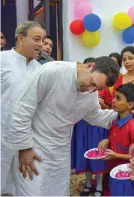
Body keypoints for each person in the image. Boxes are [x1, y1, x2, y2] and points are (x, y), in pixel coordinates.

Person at [7, 56, 120, 196]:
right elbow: (22, 109)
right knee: (32, 191)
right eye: (92, 82)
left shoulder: (91, 92)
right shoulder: (52, 71)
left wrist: (122, 115)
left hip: (61, 151)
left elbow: (94, 115)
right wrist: (24, 148)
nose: (90, 90)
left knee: (59, 191)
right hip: (34, 147)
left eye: (97, 88)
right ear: (90, 65)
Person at [0, 21, 45, 195]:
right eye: (36, 39)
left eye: (42, 39)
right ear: (20, 38)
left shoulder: (40, 69)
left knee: (25, 186)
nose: (41, 44)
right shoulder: (2, 60)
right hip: (1, 133)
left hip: (26, 140)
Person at [98, 83, 134, 196]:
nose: (113, 100)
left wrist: (116, 155)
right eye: (114, 96)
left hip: (129, 175)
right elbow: (114, 138)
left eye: (118, 98)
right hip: (114, 171)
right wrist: (107, 140)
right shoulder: (115, 122)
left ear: (130, 105)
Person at [70, 57, 108, 196]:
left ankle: (98, 185)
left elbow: (110, 104)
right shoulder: (77, 83)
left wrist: (103, 105)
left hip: (96, 126)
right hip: (81, 124)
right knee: (83, 153)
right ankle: (87, 183)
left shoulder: (103, 85)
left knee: (97, 153)